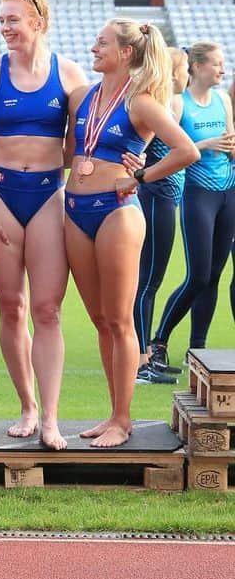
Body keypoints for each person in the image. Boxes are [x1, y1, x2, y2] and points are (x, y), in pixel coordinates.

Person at [65, 19, 198, 448]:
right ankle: (112, 413)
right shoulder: (85, 96)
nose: (92, 47)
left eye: (101, 42)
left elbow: (186, 150)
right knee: (100, 319)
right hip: (75, 210)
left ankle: (123, 420)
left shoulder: (140, 103)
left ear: (125, 52)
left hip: (117, 212)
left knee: (120, 319)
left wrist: (140, 175)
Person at [0, 0, 89, 449]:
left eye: (13, 20)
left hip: (46, 196)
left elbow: (84, 146)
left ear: (37, 22)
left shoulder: (71, 75)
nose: (5, 28)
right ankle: (27, 404)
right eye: (1, 20)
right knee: (11, 306)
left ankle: (51, 419)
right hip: (0, 194)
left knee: (47, 309)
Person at [150, 42, 235, 367]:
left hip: (229, 192)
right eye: (216, 64)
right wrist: (204, 143)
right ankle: (159, 340)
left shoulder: (223, 99)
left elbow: (229, 144)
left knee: (214, 275)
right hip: (198, 194)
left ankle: (197, 349)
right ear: (197, 67)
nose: (222, 70)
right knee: (197, 275)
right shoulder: (178, 103)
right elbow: (170, 150)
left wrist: (229, 144)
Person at [131, 47, 189, 384]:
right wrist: (138, 174)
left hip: (164, 196)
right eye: (184, 69)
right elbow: (138, 150)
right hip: (156, 195)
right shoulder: (157, 106)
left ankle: (145, 355)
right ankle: (141, 361)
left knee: (151, 279)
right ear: (171, 71)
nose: (186, 75)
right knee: (147, 281)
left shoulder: (163, 104)